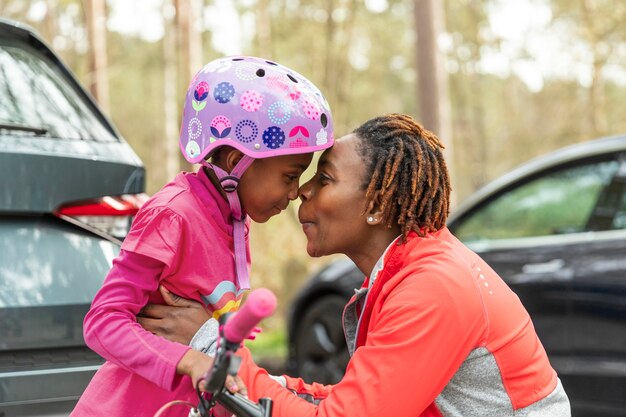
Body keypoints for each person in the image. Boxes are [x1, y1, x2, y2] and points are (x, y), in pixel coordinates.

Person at [141, 113, 572, 416]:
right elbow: (354, 402)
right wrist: (264, 378)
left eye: (324, 179)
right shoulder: (409, 268)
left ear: (378, 205)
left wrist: (211, 346)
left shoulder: (434, 287)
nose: (301, 192)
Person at [70, 56, 334, 417]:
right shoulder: (173, 215)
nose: (294, 193)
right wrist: (191, 360)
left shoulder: (233, 220)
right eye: (290, 176)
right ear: (232, 160)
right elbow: (103, 322)